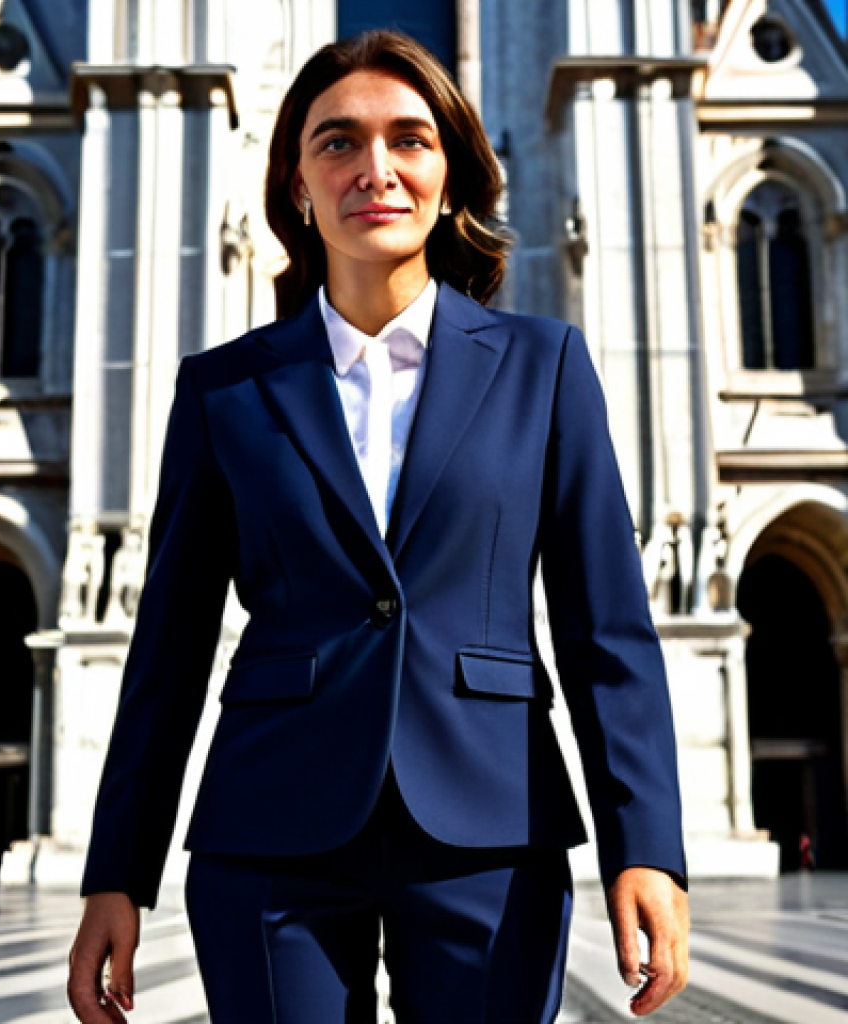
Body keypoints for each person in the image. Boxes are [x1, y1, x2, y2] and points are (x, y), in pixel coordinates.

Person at [68, 30, 689, 1024]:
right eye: (338, 143)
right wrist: (117, 873)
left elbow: (605, 627)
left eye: (410, 140)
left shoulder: (545, 366)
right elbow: (169, 648)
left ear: (451, 178)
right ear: (298, 185)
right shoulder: (224, 389)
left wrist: (645, 842)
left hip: (492, 829)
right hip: (269, 833)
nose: (376, 169)